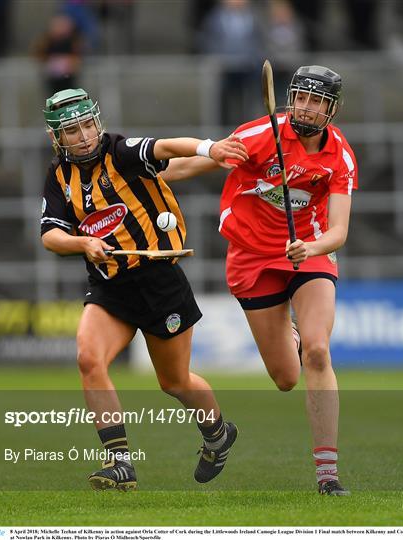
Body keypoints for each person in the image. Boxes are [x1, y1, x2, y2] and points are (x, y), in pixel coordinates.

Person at [162, 65, 358, 496]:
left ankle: (328, 475)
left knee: (319, 352)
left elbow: (339, 231)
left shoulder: (339, 157)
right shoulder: (262, 134)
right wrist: (143, 177)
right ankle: (289, 334)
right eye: (300, 98)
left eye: (316, 101)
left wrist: (312, 248)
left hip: (308, 254)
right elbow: (195, 164)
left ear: (332, 109)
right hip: (251, 258)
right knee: (287, 378)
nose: (305, 107)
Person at [40, 88, 248, 491]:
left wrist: (211, 149)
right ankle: (119, 463)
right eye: (71, 131)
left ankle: (219, 436)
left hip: (159, 283)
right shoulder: (59, 177)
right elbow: (50, 234)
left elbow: (168, 146)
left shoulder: (119, 151)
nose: (83, 136)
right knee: (88, 358)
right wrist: (82, 243)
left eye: (87, 125)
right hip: (110, 287)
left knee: (175, 382)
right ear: (57, 138)